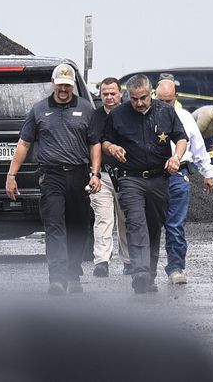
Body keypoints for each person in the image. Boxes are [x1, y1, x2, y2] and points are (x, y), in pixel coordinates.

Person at [6, 62, 102, 295]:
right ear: (53, 84)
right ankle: (57, 278)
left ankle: (73, 272)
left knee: (78, 226)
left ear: (73, 86)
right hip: (51, 176)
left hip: (79, 175)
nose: (63, 90)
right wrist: (11, 175)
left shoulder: (86, 108)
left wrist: (95, 173)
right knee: (55, 227)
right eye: (60, 85)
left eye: (68, 86)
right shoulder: (39, 110)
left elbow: (94, 143)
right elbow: (24, 143)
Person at [102, 74, 188, 294]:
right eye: (134, 99)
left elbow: (181, 138)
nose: (139, 103)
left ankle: (148, 276)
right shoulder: (118, 114)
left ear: (150, 93)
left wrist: (176, 158)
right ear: (127, 96)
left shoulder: (166, 112)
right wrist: (112, 148)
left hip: (159, 178)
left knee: (152, 227)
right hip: (130, 178)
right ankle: (139, 270)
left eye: (143, 98)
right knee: (136, 222)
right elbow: (105, 141)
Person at [155, 80, 213, 284]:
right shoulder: (146, 117)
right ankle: (145, 269)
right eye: (160, 101)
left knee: (175, 225)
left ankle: (176, 267)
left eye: (168, 101)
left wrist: (208, 173)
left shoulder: (185, 118)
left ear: (176, 97)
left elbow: (198, 147)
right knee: (148, 225)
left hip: (178, 175)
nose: (164, 105)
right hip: (153, 177)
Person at [90, 77, 131, 278]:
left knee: (127, 219)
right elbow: (92, 144)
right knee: (103, 219)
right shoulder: (94, 117)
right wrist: (93, 174)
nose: (109, 97)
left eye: (112, 93)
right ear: (100, 95)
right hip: (102, 175)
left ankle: (129, 261)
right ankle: (102, 260)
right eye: (105, 93)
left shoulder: (130, 114)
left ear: (120, 93)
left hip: (126, 176)